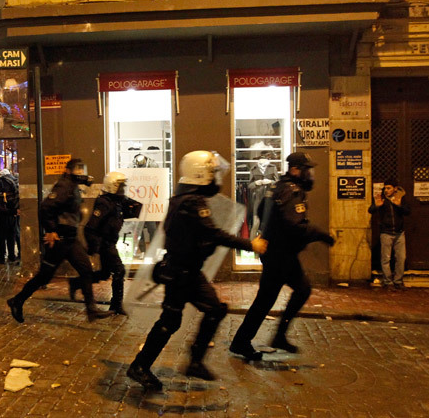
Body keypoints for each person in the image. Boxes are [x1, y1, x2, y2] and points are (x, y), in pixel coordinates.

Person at [127, 151, 267, 390]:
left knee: (214, 310)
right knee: (171, 320)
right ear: (200, 174)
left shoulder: (184, 199)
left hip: (187, 271)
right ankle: (141, 366)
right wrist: (249, 244)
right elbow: (211, 233)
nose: (215, 178)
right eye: (212, 173)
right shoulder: (191, 202)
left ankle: (194, 362)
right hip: (181, 273)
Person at [230, 152, 335, 360]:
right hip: (281, 254)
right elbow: (295, 225)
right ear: (296, 170)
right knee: (298, 291)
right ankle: (269, 337)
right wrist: (321, 235)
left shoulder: (275, 186)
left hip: (276, 252)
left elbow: (261, 211)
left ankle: (245, 340)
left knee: (268, 298)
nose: (310, 175)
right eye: (307, 170)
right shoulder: (291, 190)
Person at [7, 159, 115, 323]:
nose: (81, 174)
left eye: (82, 170)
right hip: (61, 239)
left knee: (86, 270)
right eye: (78, 170)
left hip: (70, 239)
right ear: (68, 171)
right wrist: (51, 230)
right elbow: (45, 207)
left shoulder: (72, 186)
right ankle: (17, 300)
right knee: (44, 277)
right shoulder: (64, 186)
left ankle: (91, 310)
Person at [69, 171, 142, 315]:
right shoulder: (104, 203)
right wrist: (94, 247)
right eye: (120, 186)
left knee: (104, 273)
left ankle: (77, 283)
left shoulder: (118, 200)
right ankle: (116, 305)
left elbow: (130, 210)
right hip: (105, 243)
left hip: (110, 242)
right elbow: (91, 227)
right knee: (119, 270)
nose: (123, 189)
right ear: (112, 186)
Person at [368, 179, 410, 289]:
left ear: (395, 189)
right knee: (385, 258)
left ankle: (398, 281)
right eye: (385, 188)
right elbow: (370, 210)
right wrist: (376, 206)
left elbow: (407, 211)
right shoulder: (381, 199)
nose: (386, 190)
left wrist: (399, 205)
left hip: (399, 233)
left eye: (389, 188)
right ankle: (388, 282)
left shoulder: (400, 198)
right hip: (386, 233)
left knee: (401, 258)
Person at [0, 169, 20, 264]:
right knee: (11, 236)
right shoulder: (14, 181)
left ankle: (0, 257)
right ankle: (12, 256)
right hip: (13, 213)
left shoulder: (1, 182)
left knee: (1, 236)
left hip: (3, 214)